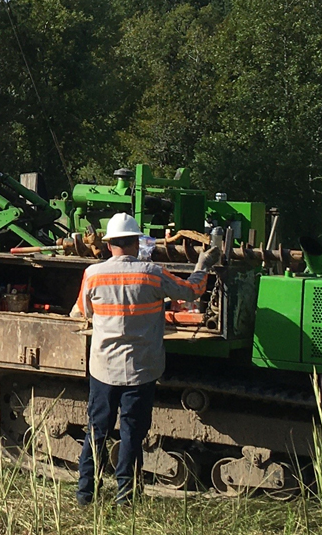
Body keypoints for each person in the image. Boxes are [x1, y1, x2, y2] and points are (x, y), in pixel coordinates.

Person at [72, 212, 215, 504]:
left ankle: (85, 494)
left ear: (110, 244)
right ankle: (125, 496)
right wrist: (203, 264)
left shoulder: (93, 274)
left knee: (97, 430)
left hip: (104, 368)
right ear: (137, 243)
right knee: (132, 433)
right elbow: (191, 292)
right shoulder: (153, 272)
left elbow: (83, 312)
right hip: (142, 368)